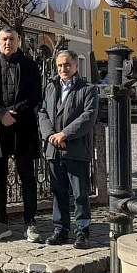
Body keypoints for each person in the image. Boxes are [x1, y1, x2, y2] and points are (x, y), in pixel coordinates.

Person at [0, 27, 43, 242]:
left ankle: (29, 223)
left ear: (19, 41)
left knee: (27, 177)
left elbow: (35, 95)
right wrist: (1, 114)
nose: (8, 43)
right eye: (4, 39)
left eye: (12, 39)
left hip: (23, 127)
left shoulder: (30, 66)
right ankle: (1, 222)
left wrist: (16, 112)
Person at [38, 49, 99, 250]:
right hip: (54, 150)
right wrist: (50, 136)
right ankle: (60, 230)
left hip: (76, 149)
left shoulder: (88, 89)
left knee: (80, 194)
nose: (63, 69)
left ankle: (82, 232)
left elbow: (88, 116)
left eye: (66, 65)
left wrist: (64, 134)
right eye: (59, 66)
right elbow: (43, 112)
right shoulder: (51, 87)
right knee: (59, 192)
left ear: (75, 66)